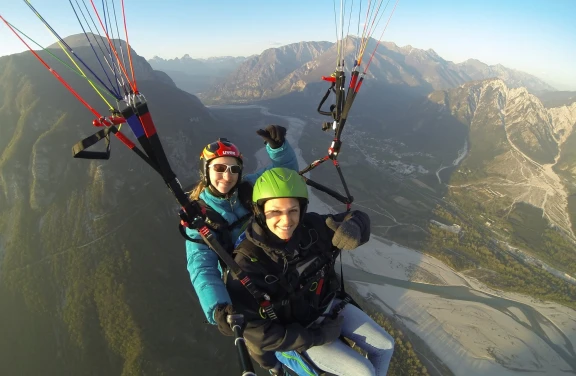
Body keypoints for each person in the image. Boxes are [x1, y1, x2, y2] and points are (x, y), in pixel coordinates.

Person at [225, 167, 395, 376]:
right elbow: (256, 333)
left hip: (327, 306)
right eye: (275, 211)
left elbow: (355, 217)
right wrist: (317, 337)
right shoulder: (247, 263)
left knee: (386, 345)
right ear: (259, 212)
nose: (286, 220)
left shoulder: (311, 229)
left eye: (292, 210)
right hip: (294, 334)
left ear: (302, 210)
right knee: (363, 372)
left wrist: (356, 226)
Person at [185, 125, 298, 328]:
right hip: (248, 291)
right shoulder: (200, 219)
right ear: (206, 170)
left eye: (233, 169)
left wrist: (278, 147)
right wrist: (219, 308)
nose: (227, 177)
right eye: (219, 169)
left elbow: (285, 174)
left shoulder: (249, 187)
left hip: (277, 270)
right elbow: (202, 266)